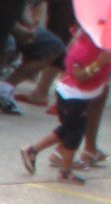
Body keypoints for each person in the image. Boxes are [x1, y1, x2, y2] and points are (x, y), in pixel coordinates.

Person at [21, 22, 108, 181]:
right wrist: (98, 64)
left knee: (70, 129)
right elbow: (79, 76)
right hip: (72, 97)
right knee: (73, 132)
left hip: (80, 96)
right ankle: (62, 168)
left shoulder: (99, 47)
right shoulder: (82, 50)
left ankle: (36, 151)